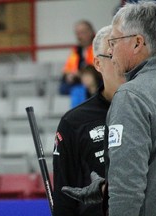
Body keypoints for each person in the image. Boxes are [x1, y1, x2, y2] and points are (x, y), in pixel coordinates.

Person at [62, 1, 156, 216]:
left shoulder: (131, 96)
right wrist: (107, 188)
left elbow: (127, 190)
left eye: (114, 41)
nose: (111, 50)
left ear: (137, 43)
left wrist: (116, 190)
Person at [53, 25, 125, 216]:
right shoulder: (74, 122)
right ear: (98, 63)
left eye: (127, 52)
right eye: (112, 55)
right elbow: (64, 196)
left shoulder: (153, 108)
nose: (123, 61)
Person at [59, 20, 95, 97]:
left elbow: (96, 69)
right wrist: (69, 75)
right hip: (77, 81)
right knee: (63, 88)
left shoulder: (98, 47)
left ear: (91, 32)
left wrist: (81, 74)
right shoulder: (75, 50)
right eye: (77, 33)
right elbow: (67, 69)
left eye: (82, 33)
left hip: (94, 81)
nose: (79, 37)